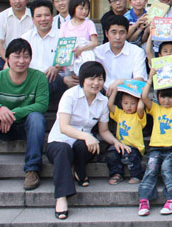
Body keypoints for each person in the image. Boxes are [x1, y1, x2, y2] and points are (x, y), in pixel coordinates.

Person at [46, 61, 126, 220]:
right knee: (64, 149)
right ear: (82, 80)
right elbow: (64, 127)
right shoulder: (70, 96)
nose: (96, 83)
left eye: (100, 79)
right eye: (91, 79)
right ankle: (61, 197)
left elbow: (103, 131)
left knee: (83, 146)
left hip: (82, 145)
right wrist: (86, 136)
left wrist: (116, 142)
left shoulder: (102, 101)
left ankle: (79, 169)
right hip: (59, 142)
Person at [0, 39, 48, 193]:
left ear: (30, 59)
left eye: (26, 56)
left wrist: (10, 114)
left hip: (24, 126)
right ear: (7, 59)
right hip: (2, 128)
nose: (21, 61)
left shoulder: (39, 78)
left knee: (37, 118)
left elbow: (42, 105)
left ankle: (32, 170)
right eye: (16, 56)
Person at [137, 61, 172, 216]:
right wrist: (150, 79)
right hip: (155, 147)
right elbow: (144, 97)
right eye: (163, 97)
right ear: (158, 97)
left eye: (169, 97)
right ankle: (144, 199)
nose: (166, 101)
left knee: (167, 169)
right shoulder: (155, 108)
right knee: (151, 168)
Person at [21, 0, 77, 102]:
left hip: (56, 80)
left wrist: (57, 67)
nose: (43, 19)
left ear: (52, 17)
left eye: (46, 15)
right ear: (33, 19)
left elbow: (69, 62)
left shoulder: (63, 36)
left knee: (49, 78)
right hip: (31, 79)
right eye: (38, 16)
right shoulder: (25, 38)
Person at [94, 15, 147, 95]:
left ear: (127, 33)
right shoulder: (98, 51)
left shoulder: (137, 52)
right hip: (101, 94)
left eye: (122, 33)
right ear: (106, 33)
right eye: (114, 32)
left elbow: (140, 81)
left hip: (127, 94)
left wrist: (120, 82)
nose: (118, 37)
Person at [106, 82, 146, 185]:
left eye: (133, 103)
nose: (129, 106)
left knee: (132, 156)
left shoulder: (139, 116)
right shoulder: (119, 114)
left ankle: (136, 175)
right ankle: (116, 174)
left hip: (134, 147)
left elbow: (140, 108)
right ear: (121, 103)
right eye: (126, 103)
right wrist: (116, 89)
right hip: (120, 145)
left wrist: (142, 95)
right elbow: (110, 105)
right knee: (111, 152)